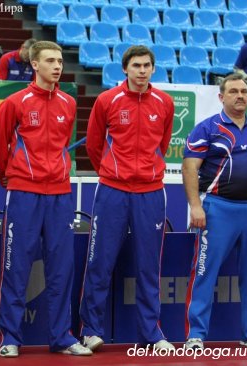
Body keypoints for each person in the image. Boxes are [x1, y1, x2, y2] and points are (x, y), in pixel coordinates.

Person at [0, 40, 91, 358]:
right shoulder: (15, 102)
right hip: (24, 193)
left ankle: (62, 336)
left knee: (62, 268)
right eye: (50, 60)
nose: (58, 66)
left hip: (60, 195)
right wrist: (11, 178)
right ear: (34, 65)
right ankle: (10, 337)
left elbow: (64, 146)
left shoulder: (68, 102)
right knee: (16, 267)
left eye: (60, 60)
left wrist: (58, 175)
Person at [80, 45, 175, 352]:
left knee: (149, 266)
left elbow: (162, 144)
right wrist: (113, 172)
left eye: (147, 65)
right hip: (113, 191)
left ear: (153, 68)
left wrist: (145, 172)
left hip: (149, 193)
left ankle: (151, 333)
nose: (142, 70)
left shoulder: (165, 102)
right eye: (136, 65)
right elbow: (94, 145)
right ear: (125, 69)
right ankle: (91, 330)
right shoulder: (107, 100)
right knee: (100, 262)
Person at [183, 73, 247, 350]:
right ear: (221, 96)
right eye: (234, 91)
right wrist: (195, 206)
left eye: (244, 92)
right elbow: (190, 169)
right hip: (218, 210)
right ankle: (195, 335)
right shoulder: (207, 128)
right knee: (204, 272)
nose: (240, 96)